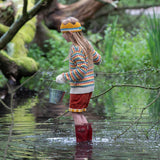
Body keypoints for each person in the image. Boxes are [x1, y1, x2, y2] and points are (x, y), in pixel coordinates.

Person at [56, 17, 102, 143]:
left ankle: (81, 145)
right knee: (80, 113)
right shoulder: (86, 44)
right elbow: (98, 60)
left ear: (69, 33)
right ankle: (87, 143)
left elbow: (81, 71)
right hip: (89, 86)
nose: (63, 36)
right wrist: (91, 51)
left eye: (63, 33)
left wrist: (64, 77)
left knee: (76, 114)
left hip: (80, 88)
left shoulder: (75, 48)